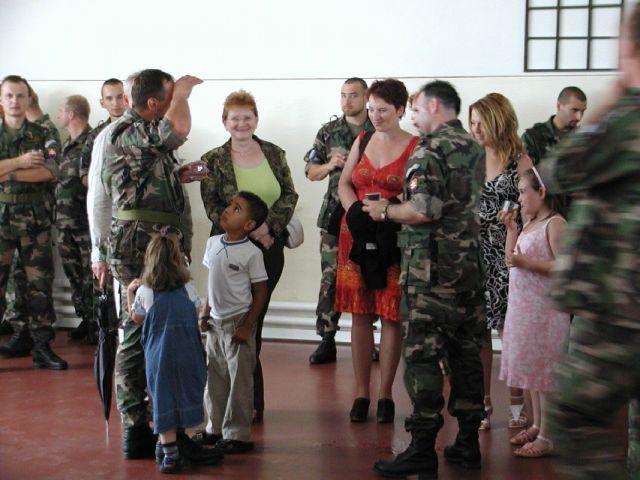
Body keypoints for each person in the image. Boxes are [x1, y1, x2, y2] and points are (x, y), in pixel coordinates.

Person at [539, 5, 640, 477]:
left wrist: (612, 100)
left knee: (576, 416)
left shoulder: (626, 119)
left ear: (628, 47)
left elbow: (559, 170)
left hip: (619, 304)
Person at [366, 80, 486, 478]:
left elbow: (422, 210)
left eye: (416, 109)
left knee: (421, 356)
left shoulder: (429, 150)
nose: (413, 117)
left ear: (434, 106)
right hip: (468, 270)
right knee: (466, 354)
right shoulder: (473, 147)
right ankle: (467, 441)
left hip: (430, 273)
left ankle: (421, 447)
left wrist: (385, 211)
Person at [102, 69, 209, 459]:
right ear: (154, 102)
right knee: (138, 331)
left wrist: (177, 175)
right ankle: (137, 427)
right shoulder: (126, 131)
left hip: (154, 242)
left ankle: (167, 427)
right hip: (139, 247)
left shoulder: (143, 133)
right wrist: (182, 93)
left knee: (164, 333)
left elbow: (141, 177)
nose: (174, 104)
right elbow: (177, 129)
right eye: (168, 98)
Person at [200, 89, 298, 423]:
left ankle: (249, 401)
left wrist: (268, 227)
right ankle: (233, 402)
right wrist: (247, 230)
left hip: (269, 245)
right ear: (224, 122)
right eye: (235, 118)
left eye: (247, 117)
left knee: (253, 321)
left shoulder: (274, 153)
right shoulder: (213, 159)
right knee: (229, 322)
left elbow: (289, 194)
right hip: (229, 250)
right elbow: (213, 207)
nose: (241, 123)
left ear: (256, 119)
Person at [336, 78, 419, 423]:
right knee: (359, 313)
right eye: (371, 109)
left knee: (390, 314)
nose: (375, 116)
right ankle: (361, 392)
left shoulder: (415, 146)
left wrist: (386, 212)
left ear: (400, 110)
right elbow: (344, 183)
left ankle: (385, 394)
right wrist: (356, 212)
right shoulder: (362, 139)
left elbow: (418, 196)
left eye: (383, 110)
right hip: (356, 236)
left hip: (392, 236)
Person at [128, 234, 220, 474]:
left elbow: (136, 318)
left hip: (159, 357)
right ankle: (183, 442)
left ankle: (168, 453)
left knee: (162, 399)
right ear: (178, 261)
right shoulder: (187, 288)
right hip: (188, 352)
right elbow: (196, 310)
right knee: (188, 394)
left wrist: (129, 294)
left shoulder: (145, 292)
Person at [468, 93, 533, 430]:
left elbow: (533, 206)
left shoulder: (518, 160)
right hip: (472, 253)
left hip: (507, 254)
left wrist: (513, 223)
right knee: (477, 333)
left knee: (510, 332)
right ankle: (483, 402)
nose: (475, 130)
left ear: (498, 122)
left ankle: (518, 404)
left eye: (481, 123)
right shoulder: (470, 158)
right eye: (472, 123)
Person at [498, 168, 568, 458]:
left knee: (546, 374)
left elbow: (565, 265)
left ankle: (549, 435)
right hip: (525, 309)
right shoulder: (529, 224)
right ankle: (538, 424)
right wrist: (511, 231)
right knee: (535, 375)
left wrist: (528, 264)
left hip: (545, 312)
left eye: (523, 191)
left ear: (542, 192)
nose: (519, 198)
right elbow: (510, 260)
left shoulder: (555, 224)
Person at [304, 77, 375, 365]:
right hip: (335, 214)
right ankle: (327, 338)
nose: (347, 100)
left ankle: (368, 340)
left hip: (370, 214)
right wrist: (330, 165)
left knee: (370, 275)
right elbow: (310, 172)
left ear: (366, 97)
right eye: (343, 95)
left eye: (353, 95)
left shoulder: (378, 129)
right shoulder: (328, 131)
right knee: (330, 278)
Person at [0, 75, 67, 369]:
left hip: (35, 223)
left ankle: (42, 347)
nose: (15, 101)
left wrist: (8, 173)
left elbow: (51, 171)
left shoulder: (43, 134)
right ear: (1, 100)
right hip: (1, 221)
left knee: (39, 286)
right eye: (9, 95)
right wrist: (21, 161)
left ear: (29, 100)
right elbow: (35, 169)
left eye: (20, 96)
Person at [198, 192, 269, 454]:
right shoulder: (213, 243)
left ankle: (237, 434)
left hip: (238, 323)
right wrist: (205, 313)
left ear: (249, 225)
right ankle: (214, 428)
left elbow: (260, 292)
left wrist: (247, 326)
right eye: (230, 205)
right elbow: (212, 283)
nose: (228, 210)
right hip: (215, 324)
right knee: (214, 378)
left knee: (239, 381)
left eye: (237, 208)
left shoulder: (252, 253)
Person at [55, 95, 94, 342]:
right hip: (64, 221)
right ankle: (85, 318)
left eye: (61, 111)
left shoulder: (92, 142)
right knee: (74, 274)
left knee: (91, 274)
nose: (58, 115)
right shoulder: (67, 144)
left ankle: (96, 323)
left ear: (71, 114)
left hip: (84, 222)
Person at [521, 86, 587, 165]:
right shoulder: (532, 138)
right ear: (559, 106)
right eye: (574, 110)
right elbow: (523, 171)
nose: (579, 117)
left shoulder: (585, 137)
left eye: (582, 111)